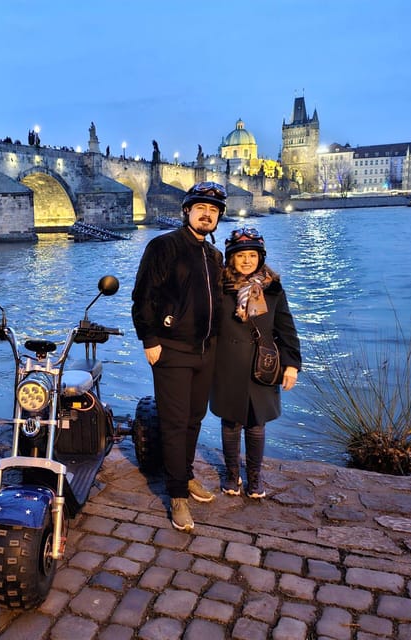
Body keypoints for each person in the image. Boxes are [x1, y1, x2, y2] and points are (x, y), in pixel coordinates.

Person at [131, 181, 226, 531]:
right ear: (187, 211)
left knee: (194, 418)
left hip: (205, 350)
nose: (207, 214)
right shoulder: (164, 246)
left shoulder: (215, 256)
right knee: (173, 422)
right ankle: (177, 496)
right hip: (171, 347)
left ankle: (184, 476)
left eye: (214, 211)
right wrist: (149, 338)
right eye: (201, 208)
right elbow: (143, 296)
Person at [210, 228, 301, 499]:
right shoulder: (219, 287)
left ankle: (255, 477)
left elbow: (286, 328)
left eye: (252, 255)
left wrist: (292, 365)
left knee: (257, 424)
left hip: (262, 364)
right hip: (226, 364)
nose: (247, 261)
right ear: (231, 259)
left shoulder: (272, 288)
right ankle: (230, 474)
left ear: (261, 257)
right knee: (230, 423)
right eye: (240, 256)